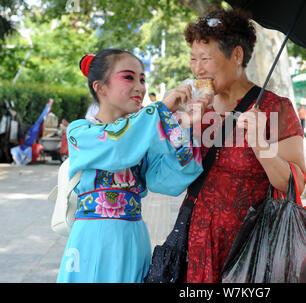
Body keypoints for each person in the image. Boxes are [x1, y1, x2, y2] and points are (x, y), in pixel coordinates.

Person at [57, 49, 210, 283]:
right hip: (94, 238)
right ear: (100, 87)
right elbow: (116, 146)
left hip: (134, 237)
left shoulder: (142, 137)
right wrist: (161, 110)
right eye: (128, 77)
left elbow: (173, 178)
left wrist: (184, 126)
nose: (140, 87)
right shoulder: (80, 131)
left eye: (142, 79)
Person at [183, 8, 306, 282]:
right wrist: (184, 128)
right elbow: (169, 179)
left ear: (237, 56)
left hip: (248, 251)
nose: (197, 68)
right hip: (196, 244)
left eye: (206, 59)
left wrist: (261, 146)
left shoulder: (275, 108)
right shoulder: (194, 109)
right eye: (193, 59)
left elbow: (295, 183)